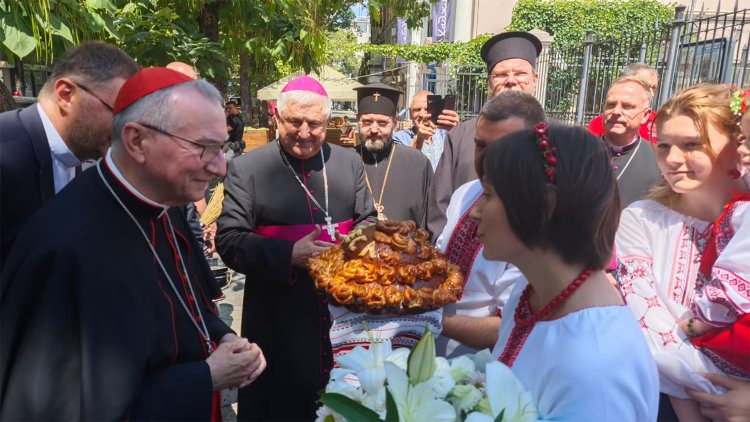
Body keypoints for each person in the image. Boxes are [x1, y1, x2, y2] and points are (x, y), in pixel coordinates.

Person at [0, 67, 266, 421]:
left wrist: (223, 336)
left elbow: (185, 301)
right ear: (137, 141)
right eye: (205, 148)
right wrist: (204, 376)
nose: (220, 168)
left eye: (222, 147)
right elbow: (60, 407)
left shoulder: (164, 203)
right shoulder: (64, 244)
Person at [215, 75, 377, 421]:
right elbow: (228, 239)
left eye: (314, 123)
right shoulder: (248, 169)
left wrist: (356, 246)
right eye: (295, 122)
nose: (305, 132)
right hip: (279, 320)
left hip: (344, 318)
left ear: (328, 122)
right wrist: (290, 255)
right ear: (277, 118)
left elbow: (368, 219)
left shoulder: (349, 163)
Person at [472, 123, 659, 420]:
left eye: (489, 195)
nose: (475, 211)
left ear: (546, 205)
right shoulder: (531, 288)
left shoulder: (595, 368)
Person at [616, 84, 750, 422]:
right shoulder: (641, 219)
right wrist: (715, 401)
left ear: (737, 144)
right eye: (663, 145)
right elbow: (652, 334)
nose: (672, 159)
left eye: (692, 145)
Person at [0, 41, 138, 270]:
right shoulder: (6, 154)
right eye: (119, 113)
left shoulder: (80, 157)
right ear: (66, 95)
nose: (124, 131)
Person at [436, 91, 545, 358]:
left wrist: (431, 320)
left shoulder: (536, 221)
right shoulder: (464, 193)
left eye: (502, 147)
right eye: (480, 145)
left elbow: (507, 328)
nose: (486, 159)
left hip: (483, 372)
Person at [426, 31, 542, 240]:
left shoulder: (558, 138)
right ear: (489, 82)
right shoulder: (460, 136)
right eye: (501, 74)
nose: (510, 81)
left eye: (520, 73)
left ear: (534, 80)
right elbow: (438, 205)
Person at [353, 83, 433, 228]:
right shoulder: (346, 161)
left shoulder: (418, 162)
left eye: (383, 123)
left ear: (395, 122)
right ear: (358, 120)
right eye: (367, 122)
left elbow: (431, 217)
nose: (374, 129)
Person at [601, 75, 661, 208]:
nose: (616, 111)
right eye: (611, 104)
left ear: (645, 115)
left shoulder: (661, 159)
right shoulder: (578, 152)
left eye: (627, 106)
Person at [588, 62, 660, 142]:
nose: (651, 94)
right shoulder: (599, 124)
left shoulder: (661, 122)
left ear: (646, 115)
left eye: (653, 88)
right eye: (645, 86)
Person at [392, 90, 460, 171]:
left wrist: (458, 131)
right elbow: (403, 163)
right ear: (410, 113)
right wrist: (419, 138)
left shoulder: (445, 134)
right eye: (417, 109)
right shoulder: (399, 138)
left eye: (427, 109)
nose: (422, 114)